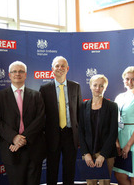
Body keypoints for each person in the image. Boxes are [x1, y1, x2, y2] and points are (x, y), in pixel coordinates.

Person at [0, 61, 46, 185]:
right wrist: (14, 137)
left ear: (26, 75)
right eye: (14, 71)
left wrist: (23, 138)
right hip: (12, 149)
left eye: (21, 71)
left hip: (34, 148)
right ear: (9, 75)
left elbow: (40, 119)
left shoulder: (36, 95)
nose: (18, 74)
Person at [39, 56, 82, 185]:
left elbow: (79, 112)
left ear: (67, 69)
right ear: (52, 69)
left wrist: (80, 137)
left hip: (70, 135)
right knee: (52, 169)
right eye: (57, 66)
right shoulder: (44, 89)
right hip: (52, 135)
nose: (60, 68)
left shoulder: (76, 87)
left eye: (63, 66)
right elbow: (41, 115)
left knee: (69, 170)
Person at [78, 74, 118, 185]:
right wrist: (85, 153)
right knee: (90, 183)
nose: (97, 88)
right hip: (89, 153)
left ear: (105, 87)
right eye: (95, 85)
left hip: (106, 153)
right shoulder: (83, 106)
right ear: (90, 86)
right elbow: (80, 131)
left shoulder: (112, 106)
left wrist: (103, 155)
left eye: (101, 86)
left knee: (105, 183)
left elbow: (113, 132)